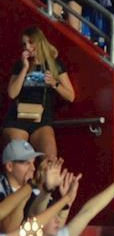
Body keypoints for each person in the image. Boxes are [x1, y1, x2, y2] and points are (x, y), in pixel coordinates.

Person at [2, 28, 74, 160]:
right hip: (18, 118)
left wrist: (54, 84)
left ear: (39, 42)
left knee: (50, 158)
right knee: (20, 158)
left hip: (42, 119)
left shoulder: (54, 64)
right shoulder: (20, 65)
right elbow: (12, 94)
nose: (27, 47)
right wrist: (25, 68)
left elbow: (71, 96)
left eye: (31, 42)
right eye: (24, 44)